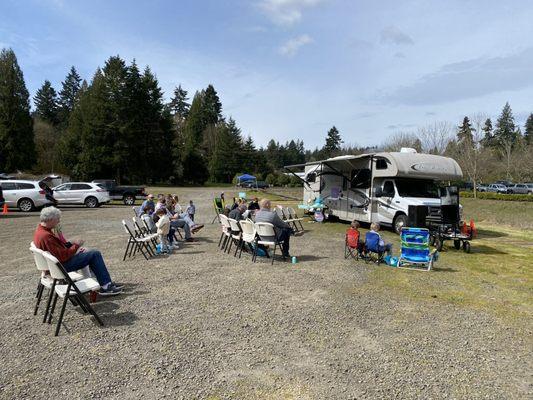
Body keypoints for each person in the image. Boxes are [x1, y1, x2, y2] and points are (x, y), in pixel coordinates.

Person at [33, 207, 122, 296]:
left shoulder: (40, 231)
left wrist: (70, 243)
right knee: (95, 254)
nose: (58, 221)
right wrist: (76, 245)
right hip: (60, 267)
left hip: (53, 265)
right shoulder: (47, 236)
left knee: (89, 252)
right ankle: (106, 286)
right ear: (50, 219)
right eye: (57, 219)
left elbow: (56, 250)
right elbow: (63, 256)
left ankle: (105, 282)